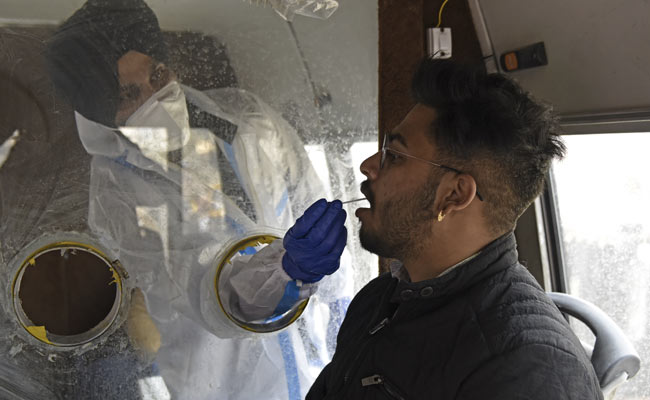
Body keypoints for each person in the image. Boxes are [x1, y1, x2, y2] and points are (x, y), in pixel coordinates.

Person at [44, 0, 352, 398]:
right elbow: (201, 288)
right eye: (129, 94)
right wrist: (286, 275)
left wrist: (344, 304)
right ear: (101, 113)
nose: (156, 98)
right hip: (225, 385)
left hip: (313, 363)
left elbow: (311, 197)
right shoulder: (118, 193)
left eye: (158, 74)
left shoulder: (250, 119)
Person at [304, 59, 603, 399]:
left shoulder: (529, 368)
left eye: (395, 156)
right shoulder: (376, 300)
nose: (368, 165)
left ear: (454, 195)